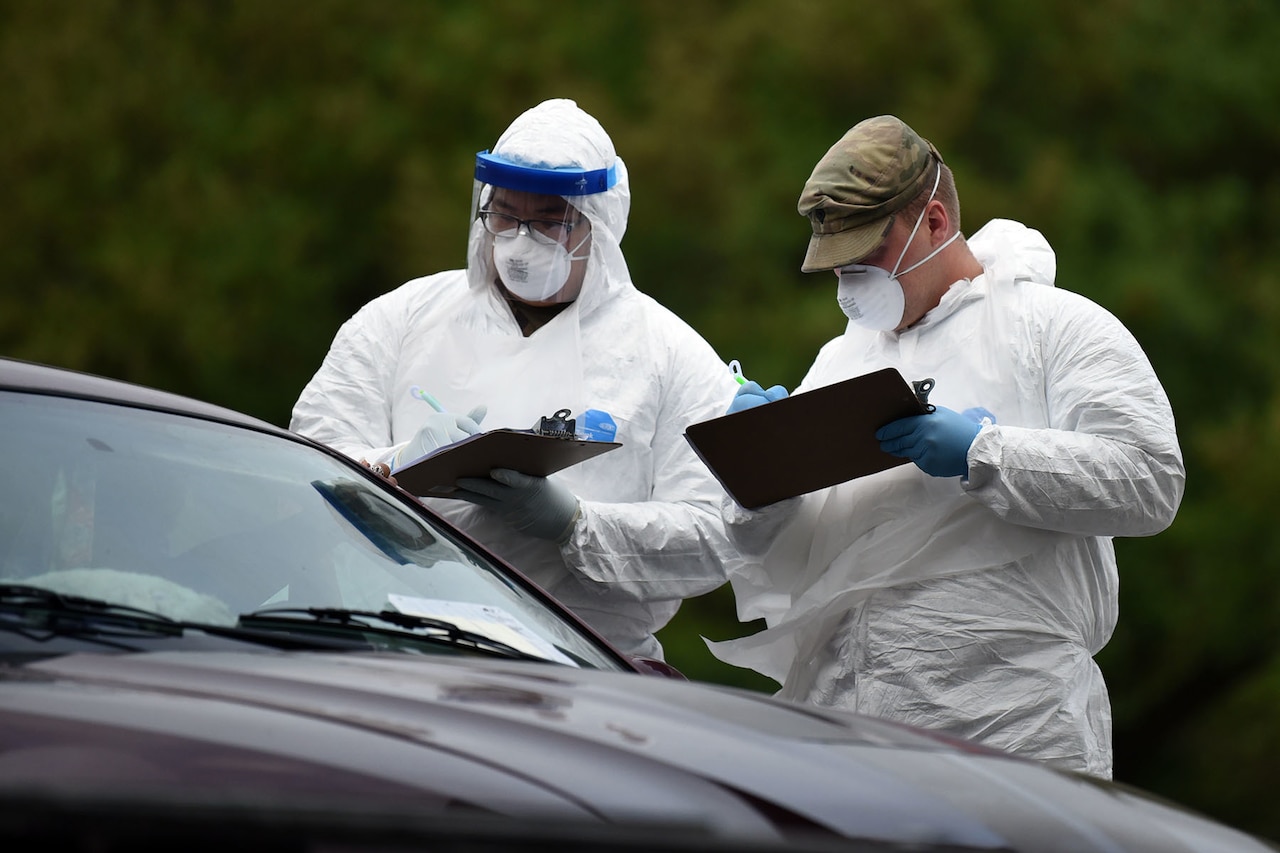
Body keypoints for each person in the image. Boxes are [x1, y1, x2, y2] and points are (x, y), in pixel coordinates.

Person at [708, 115, 1185, 778]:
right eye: (839, 264)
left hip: (1013, 734)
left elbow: (1150, 480)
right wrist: (755, 470)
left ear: (934, 220)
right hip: (845, 738)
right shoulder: (840, 360)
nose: (850, 280)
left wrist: (985, 454)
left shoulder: (1053, 328)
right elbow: (770, 552)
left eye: (869, 254)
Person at [291, 98, 739, 660]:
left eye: (550, 221)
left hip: (587, 671)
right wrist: (393, 467)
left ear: (599, 222)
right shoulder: (401, 319)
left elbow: (714, 538)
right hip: (395, 654)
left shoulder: (668, 353)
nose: (522, 240)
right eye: (506, 215)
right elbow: (302, 465)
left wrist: (575, 524)